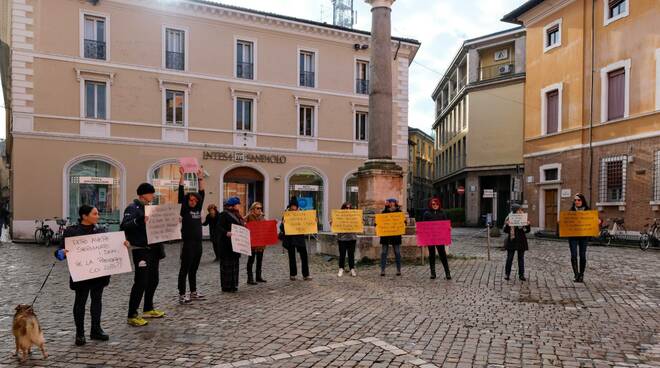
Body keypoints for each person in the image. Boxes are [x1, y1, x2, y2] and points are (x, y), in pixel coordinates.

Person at [54, 205, 128, 346]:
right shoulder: (71, 232)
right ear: (84, 216)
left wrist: (123, 245)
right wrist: (60, 253)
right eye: (95, 213)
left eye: (98, 213)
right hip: (82, 274)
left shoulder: (101, 230)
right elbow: (59, 251)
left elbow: (110, 247)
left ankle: (96, 330)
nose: (98, 216)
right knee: (80, 302)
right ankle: (80, 333)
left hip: (99, 274)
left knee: (97, 300)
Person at [121, 182, 166, 327]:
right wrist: (140, 220)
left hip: (154, 248)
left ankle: (148, 308)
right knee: (141, 282)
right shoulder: (132, 208)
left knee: (154, 280)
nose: (153, 195)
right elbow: (125, 225)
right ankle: (132, 314)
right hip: (140, 249)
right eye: (151, 193)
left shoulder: (151, 208)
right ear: (143, 194)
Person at [177, 167, 205, 304]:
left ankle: (193, 292)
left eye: (195, 200)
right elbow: (181, 194)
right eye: (190, 200)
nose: (192, 202)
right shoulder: (185, 209)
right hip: (188, 243)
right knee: (185, 269)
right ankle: (182, 294)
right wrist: (182, 176)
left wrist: (200, 178)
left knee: (194, 269)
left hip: (198, 243)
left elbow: (202, 192)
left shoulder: (198, 208)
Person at [281, 198, 311, 281]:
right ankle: (293, 274)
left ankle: (306, 275)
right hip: (290, 238)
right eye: (292, 207)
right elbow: (281, 228)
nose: (294, 209)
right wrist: (283, 224)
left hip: (299, 238)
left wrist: (313, 222)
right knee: (292, 257)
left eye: (295, 207)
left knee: (304, 256)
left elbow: (307, 224)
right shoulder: (286, 214)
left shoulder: (301, 214)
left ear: (297, 207)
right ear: (290, 207)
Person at [218, 196, 244, 292]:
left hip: (236, 244)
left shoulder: (237, 215)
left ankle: (234, 285)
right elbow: (219, 227)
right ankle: (226, 286)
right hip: (226, 245)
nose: (239, 206)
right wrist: (226, 233)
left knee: (234, 265)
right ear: (232, 206)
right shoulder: (223, 215)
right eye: (237, 204)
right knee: (227, 265)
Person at [422, 197, 451, 280]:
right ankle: (433, 272)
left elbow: (445, 224)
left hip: (440, 237)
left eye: (437, 204)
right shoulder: (427, 214)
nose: (435, 205)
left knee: (443, 254)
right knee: (432, 255)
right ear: (431, 205)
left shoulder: (442, 213)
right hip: (430, 237)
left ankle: (447, 272)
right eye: (433, 204)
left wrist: (448, 228)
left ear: (439, 204)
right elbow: (424, 226)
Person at [503, 203, 531, 281]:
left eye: (521, 209)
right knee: (510, 258)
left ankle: (521, 275)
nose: (520, 211)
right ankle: (507, 274)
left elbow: (527, 231)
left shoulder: (524, 217)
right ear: (515, 210)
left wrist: (527, 225)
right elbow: (505, 231)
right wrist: (507, 225)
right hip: (512, 240)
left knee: (521, 258)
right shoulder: (509, 217)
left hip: (521, 240)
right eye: (519, 209)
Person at [569, 193, 590, 282]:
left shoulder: (588, 210)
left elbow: (593, 220)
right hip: (573, 236)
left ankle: (581, 274)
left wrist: (598, 221)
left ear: (582, 201)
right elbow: (567, 222)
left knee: (582, 256)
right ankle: (576, 274)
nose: (577, 202)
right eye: (575, 200)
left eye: (579, 200)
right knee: (573, 255)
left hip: (583, 236)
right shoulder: (571, 210)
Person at [379, 198, 403, 277]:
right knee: (384, 253)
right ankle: (382, 270)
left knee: (397, 252)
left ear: (395, 204)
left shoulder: (399, 212)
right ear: (388, 204)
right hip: (386, 235)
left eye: (393, 203)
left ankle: (398, 269)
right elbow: (379, 222)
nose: (392, 204)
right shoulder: (383, 212)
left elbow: (403, 222)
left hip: (396, 235)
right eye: (390, 203)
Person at [246, 202, 267, 285]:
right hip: (252, 242)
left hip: (261, 242)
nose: (259, 210)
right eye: (257, 208)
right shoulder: (249, 216)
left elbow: (266, 226)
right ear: (253, 209)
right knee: (251, 260)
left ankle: (258, 276)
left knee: (259, 260)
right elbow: (242, 224)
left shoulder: (262, 217)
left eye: (260, 208)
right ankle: (250, 278)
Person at [335, 202, 358, 277]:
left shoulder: (355, 216)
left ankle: (352, 269)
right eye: (346, 208)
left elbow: (358, 224)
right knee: (342, 254)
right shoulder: (339, 216)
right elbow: (335, 225)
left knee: (351, 254)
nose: (348, 209)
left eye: (349, 208)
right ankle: (341, 268)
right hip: (342, 239)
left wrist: (361, 223)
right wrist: (332, 223)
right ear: (343, 208)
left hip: (352, 238)